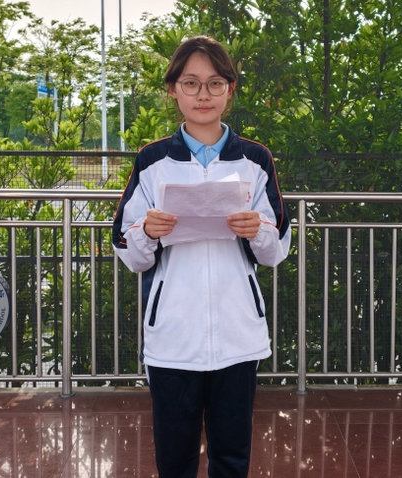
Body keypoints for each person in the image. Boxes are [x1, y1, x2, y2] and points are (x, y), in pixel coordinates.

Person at [112, 35, 291, 478]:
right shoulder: (152, 161)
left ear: (230, 89)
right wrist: (147, 232)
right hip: (173, 337)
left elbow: (276, 250)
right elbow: (128, 250)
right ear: (173, 89)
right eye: (190, 83)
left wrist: (257, 229)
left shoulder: (254, 160)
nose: (203, 95)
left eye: (214, 83)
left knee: (231, 458)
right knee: (175, 461)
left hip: (237, 335)